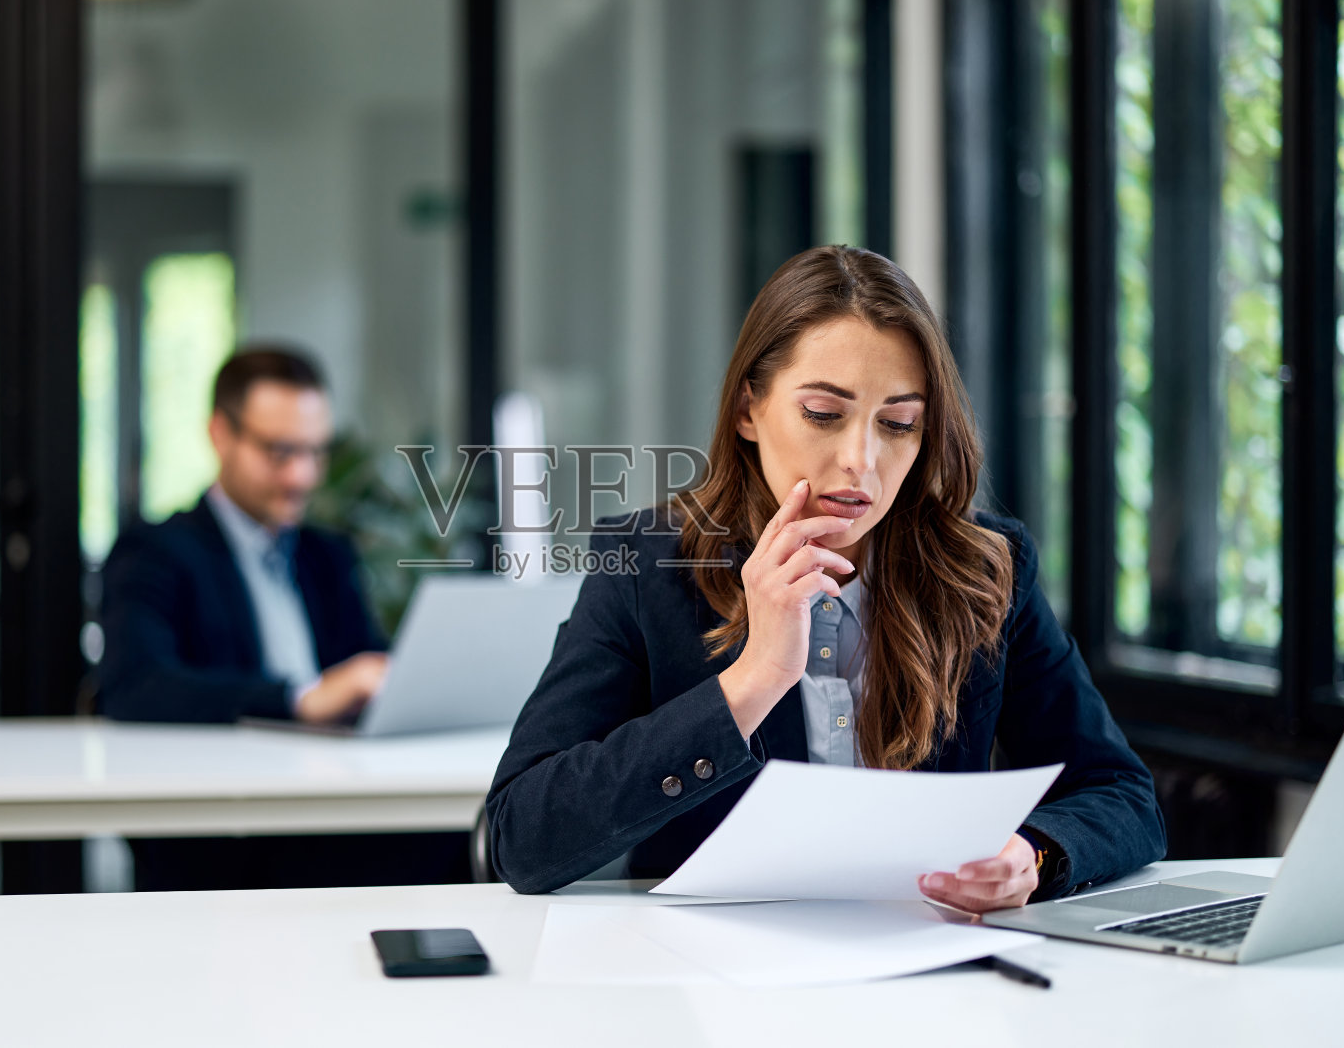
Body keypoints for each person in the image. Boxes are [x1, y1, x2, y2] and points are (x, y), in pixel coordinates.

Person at [485, 246, 1166, 910]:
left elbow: (1122, 794)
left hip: (927, 978)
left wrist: (1034, 853)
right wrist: (751, 682)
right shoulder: (649, 566)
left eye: (898, 423)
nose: (861, 461)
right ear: (749, 408)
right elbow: (521, 837)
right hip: (713, 994)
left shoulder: (982, 568)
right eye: (823, 414)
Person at [100, 346, 467, 890]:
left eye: (315, 453)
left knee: (467, 834)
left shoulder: (327, 555)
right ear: (220, 434)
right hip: (223, 829)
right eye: (279, 452)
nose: (301, 476)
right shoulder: (158, 551)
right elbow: (135, 685)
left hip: (329, 807)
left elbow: (363, 664)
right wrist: (299, 700)